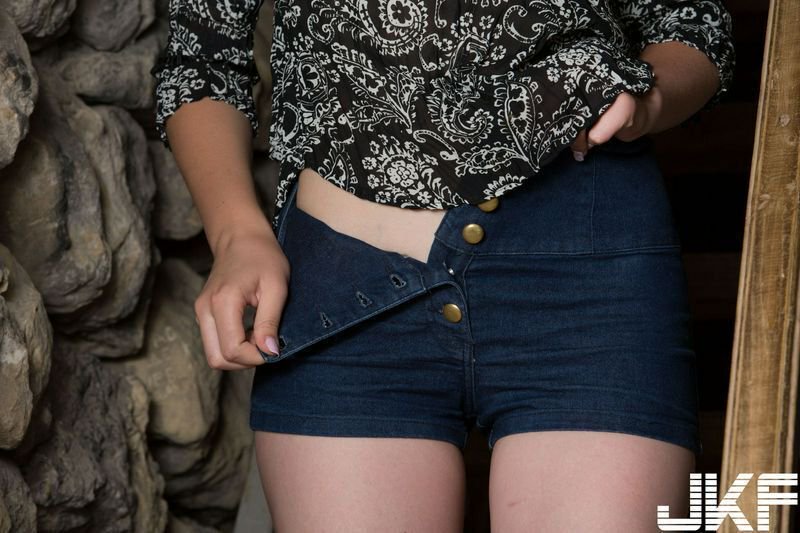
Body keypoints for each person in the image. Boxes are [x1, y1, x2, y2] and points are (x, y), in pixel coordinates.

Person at [151, 0, 735, 530]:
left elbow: (693, 24)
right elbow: (202, 57)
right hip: (345, 288)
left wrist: (646, 102)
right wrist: (236, 234)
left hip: (585, 273)